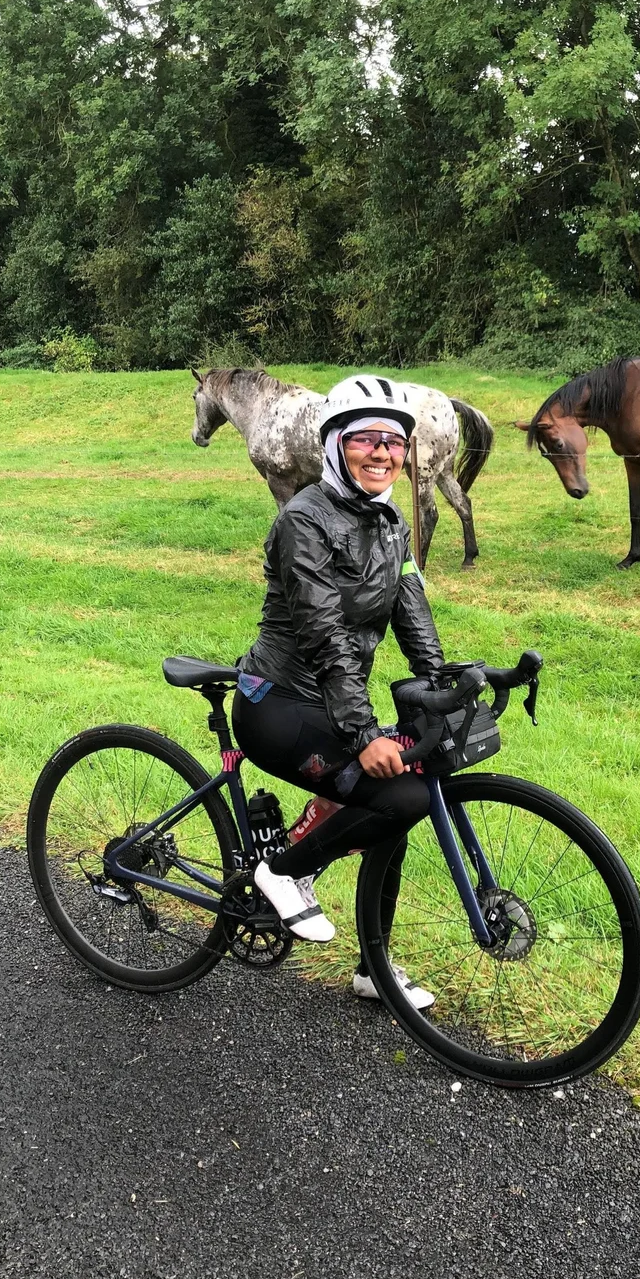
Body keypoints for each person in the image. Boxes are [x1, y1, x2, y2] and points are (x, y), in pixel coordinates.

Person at [232, 374, 442, 1009]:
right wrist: (363, 733)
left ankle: (373, 968)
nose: (382, 452)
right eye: (365, 439)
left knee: (401, 791)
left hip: (331, 700)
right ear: (333, 445)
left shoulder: (391, 520)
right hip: (278, 703)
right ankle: (282, 871)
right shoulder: (304, 520)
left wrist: (442, 683)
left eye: (394, 441)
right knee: (402, 798)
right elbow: (324, 635)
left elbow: (412, 610)